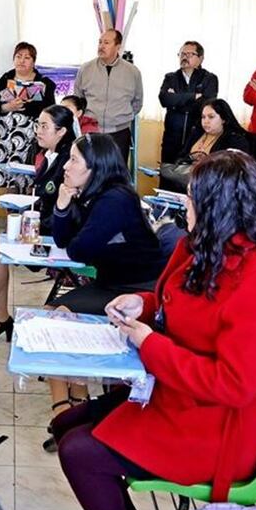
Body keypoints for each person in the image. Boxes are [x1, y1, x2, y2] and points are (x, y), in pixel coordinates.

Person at [54, 150, 256, 510]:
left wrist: (150, 343)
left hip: (218, 428)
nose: (184, 205)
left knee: (79, 451)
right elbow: (176, 305)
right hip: (180, 396)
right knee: (67, 424)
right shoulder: (202, 245)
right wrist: (141, 304)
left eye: (191, 199)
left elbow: (232, 386)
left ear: (219, 208)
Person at [42, 134, 166, 451]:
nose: (66, 167)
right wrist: (62, 202)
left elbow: (79, 249)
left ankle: (68, 412)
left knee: (55, 318)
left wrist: (72, 219)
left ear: (95, 168)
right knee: (54, 316)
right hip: (111, 283)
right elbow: (62, 239)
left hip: (138, 289)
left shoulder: (115, 199)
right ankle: (71, 408)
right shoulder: (93, 195)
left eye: (73, 161)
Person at [0, 105, 77, 345]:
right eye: (37, 124)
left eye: (43, 126)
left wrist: (32, 225)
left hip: (56, 237)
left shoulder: (68, 161)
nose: (37, 131)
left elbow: (60, 208)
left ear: (61, 132)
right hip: (42, 227)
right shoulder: (50, 155)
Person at [0, 42, 57, 189]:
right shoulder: (6, 78)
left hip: (31, 139)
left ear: (33, 61)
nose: (21, 60)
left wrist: (23, 105)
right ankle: (10, 211)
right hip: (6, 139)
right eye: (18, 56)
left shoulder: (44, 82)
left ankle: (27, 209)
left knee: (28, 178)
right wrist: (7, 107)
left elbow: (50, 108)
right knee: (8, 179)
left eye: (27, 57)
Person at [74, 29, 143, 162]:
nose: (101, 46)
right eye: (100, 42)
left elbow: (137, 102)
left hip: (119, 133)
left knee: (115, 175)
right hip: (90, 130)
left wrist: (120, 117)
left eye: (106, 42)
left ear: (118, 46)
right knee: (89, 172)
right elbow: (78, 99)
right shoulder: (86, 69)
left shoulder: (132, 72)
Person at [160, 98, 250, 192]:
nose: (206, 121)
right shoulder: (197, 133)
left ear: (223, 119)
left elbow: (233, 171)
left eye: (211, 117)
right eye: (203, 117)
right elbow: (182, 155)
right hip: (187, 181)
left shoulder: (235, 140)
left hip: (213, 189)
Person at [158, 40, 219, 165]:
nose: (184, 57)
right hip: (171, 138)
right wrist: (193, 97)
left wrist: (176, 100)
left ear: (201, 58)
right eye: (182, 54)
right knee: (167, 176)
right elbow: (164, 99)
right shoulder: (171, 77)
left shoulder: (209, 79)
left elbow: (205, 106)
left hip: (196, 139)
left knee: (192, 178)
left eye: (190, 54)